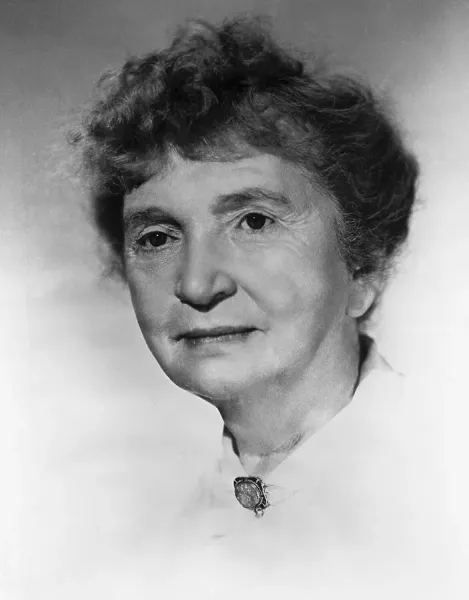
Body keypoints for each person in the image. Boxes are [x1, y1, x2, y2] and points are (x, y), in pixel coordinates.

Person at [71, 16, 442, 595]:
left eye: (255, 221)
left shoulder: (446, 491)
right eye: (158, 237)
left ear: (363, 267)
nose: (197, 284)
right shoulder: (140, 565)